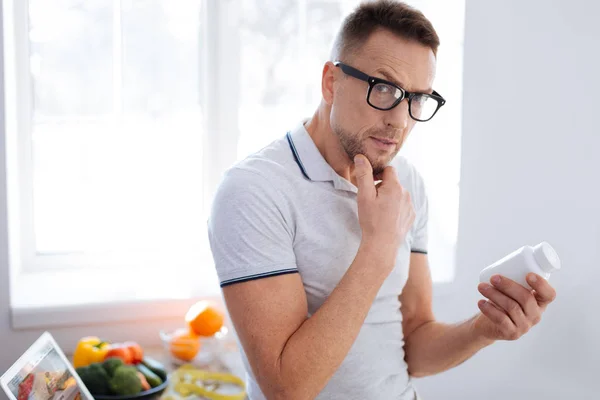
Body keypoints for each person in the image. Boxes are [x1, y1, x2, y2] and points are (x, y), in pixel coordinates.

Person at [207, 1, 557, 399]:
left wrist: (483, 330)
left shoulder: (406, 183)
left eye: (416, 98)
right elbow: (288, 388)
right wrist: (378, 248)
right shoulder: (254, 191)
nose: (401, 120)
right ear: (330, 82)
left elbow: (414, 346)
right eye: (385, 88)